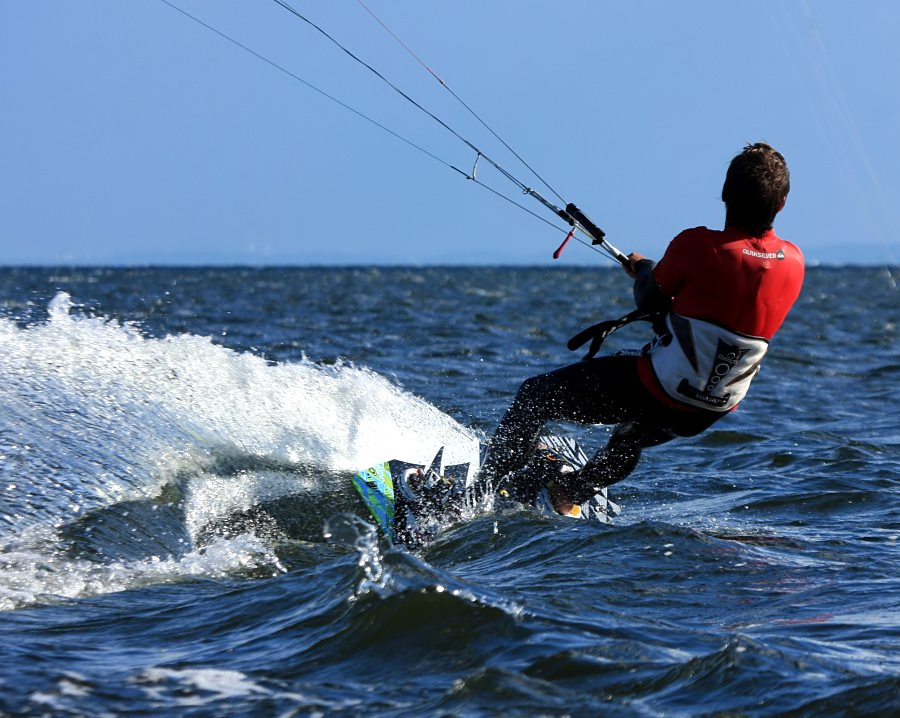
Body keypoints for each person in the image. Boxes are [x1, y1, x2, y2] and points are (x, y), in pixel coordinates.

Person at [479, 142, 805, 512]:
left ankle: (483, 495)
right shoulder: (794, 262)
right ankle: (570, 491)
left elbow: (649, 298)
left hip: (656, 389)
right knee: (630, 437)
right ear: (781, 204)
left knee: (535, 396)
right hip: (705, 412)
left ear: (725, 195)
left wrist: (645, 268)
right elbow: (722, 308)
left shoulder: (698, 245)